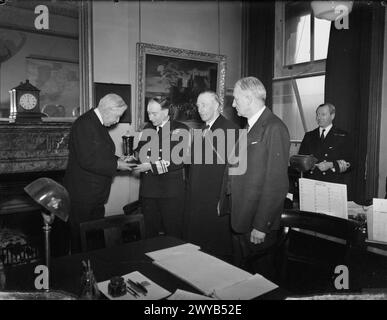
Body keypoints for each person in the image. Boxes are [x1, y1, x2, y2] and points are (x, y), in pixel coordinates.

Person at [219, 77, 290, 275]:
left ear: (249, 98)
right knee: (242, 276)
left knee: (261, 280)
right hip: (241, 216)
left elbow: (276, 183)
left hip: (256, 224)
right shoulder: (249, 127)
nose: (233, 104)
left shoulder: (274, 127)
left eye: (236, 99)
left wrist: (261, 225)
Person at [64, 93, 133, 253]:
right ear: (108, 110)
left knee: (92, 241)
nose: (117, 121)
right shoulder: (85, 124)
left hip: (93, 196)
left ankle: (91, 273)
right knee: (81, 243)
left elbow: (99, 154)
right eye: (117, 116)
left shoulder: (95, 123)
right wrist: (117, 164)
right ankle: (82, 275)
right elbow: (87, 160)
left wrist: (120, 160)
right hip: (83, 197)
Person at [184, 91, 239, 260]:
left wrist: (223, 200)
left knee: (216, 255)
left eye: (204, 105)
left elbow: (233, 172)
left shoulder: (230, 129)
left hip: (215, 202)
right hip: (197, 201)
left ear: (216, 105)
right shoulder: (202, 130)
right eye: (198, 105)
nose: (200, 109)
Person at [132, 97, 189, 239]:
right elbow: (140, 151)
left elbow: (178, 159)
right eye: (148, 113)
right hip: (149, 191)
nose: (150, 117)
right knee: (149, 233)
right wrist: (133, 157)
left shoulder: (180, 129)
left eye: (154, 113)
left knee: (173, 233)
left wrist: (151, 166)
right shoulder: (147, 128)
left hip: (170, 192)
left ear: (166, 112)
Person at [298, 103, 352, 185]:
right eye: (317, 114)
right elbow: (301, 159)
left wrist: (331, 165)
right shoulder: (309, 136)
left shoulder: (343, 136)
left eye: (323, 114)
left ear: (332, 116)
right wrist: (309, 164)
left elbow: (350, 163)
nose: (318, 118)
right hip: (311, 182)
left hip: (332, 183)